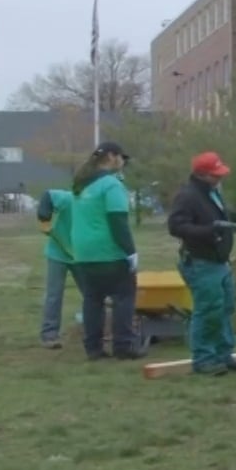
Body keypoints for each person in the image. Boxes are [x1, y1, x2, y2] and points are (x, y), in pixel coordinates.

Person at [166, 152, 236, 375]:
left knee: (225, 308)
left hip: (219, 262)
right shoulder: (188, 196)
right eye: (215, 175)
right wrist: (210, 231)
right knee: (207, 310)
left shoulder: (212, 193)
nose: (220, 178)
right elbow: (176, 226)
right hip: (200, 262)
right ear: (202, 174)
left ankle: (224, 355)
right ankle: (203, 359)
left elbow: (224, 217)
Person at [70, 141, 142, 361]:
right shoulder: (111, 185)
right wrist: (130, 252)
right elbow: (117, 221)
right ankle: (123, 346)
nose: (122, 163)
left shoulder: (81, 184)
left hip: (82, 252)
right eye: (121, 158)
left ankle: (93, 348)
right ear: (111, 157)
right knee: (123, 296)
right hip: (108, 251)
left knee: (92, 299)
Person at [36, 187, 79, 349]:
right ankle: (49, 335)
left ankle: (96, 331)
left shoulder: (98, 207)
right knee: (54, 294)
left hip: (82, 256)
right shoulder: (69, 199)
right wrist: (44, 217)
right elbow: (47, 195)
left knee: (92, 295)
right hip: (58, 254)